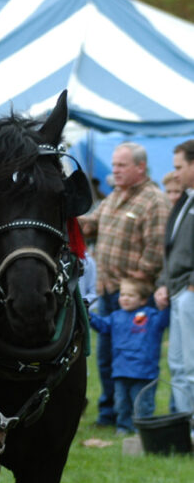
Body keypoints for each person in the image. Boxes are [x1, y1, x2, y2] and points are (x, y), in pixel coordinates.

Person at [80, 143, 169, 427]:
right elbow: (90, 225)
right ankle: (110, 413)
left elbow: (157, 249)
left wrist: (137, 282)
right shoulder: (114, 197)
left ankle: (133, 415)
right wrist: (66, 213)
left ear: (140, 167)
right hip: (108, 291)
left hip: (132, 296)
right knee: (107, 356)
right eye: (114, 164)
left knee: (132, 357)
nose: (115, 170)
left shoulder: (154, 201)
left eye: (121, 165)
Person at [88, 277, 169, 434]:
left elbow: (164, 320)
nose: (125, 298)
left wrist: (165, 307)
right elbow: (102, 326)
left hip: (144, 373)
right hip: (120, 370)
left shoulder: (151, 316)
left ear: (143, 300)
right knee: (121, 403)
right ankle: (123, 427)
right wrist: (88, 314)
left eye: (131, 295)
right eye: (122, 294)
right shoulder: (116, 316)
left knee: (143, 404)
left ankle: (143, 429)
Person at [154, 140, 194, 414]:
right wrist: (163, 284)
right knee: (178, 365)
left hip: (189, 291)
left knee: (192, 366)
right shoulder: (187, 198)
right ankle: (184, 427)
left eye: (179, 167)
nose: (175, 173)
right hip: (178, 290)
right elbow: (173, 248)